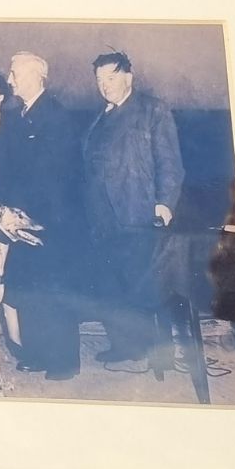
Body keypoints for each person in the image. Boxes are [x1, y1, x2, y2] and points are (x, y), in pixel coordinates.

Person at [82, 50, 185, 371]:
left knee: (146, 286)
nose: (105, 85)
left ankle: (161, 352)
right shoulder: (101, 117)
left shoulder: (153, 110)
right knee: (113, 285)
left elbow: (170, 163)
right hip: (102, 218)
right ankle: (126, 346)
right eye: (100, 80)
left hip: (138, 213)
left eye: (111, 77)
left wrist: (165, 203)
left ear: (129, 76)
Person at [0, 52, 85, 379]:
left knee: (54, 289)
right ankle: (38, 353)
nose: (9, 79)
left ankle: (64, 361)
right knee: (32, 287)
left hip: (51, 220)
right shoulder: (22, 115)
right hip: (27, 219)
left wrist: (23, 207)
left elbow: (51, 173)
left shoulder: (55, 115)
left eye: (14, 72)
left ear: (36, 76)